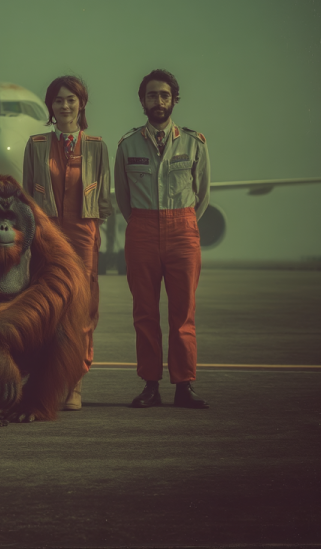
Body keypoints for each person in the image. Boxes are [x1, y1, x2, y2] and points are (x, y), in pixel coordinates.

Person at [114, 69, 210, 409]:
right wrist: (143, 223)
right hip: (141, 229)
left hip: (182, 229)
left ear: (174, 99)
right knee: (145, 312)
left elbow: (203, 194)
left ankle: (184, 385)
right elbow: (122, 197)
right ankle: (150, 385)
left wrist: (181, 223)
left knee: (183, 312)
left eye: (164, 95)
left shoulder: (194, 142)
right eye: (152, 95)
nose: (158, 101)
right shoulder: (127, 145)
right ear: (142, 101)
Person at [22, 76, 111, 411]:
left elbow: (103, 200)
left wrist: (91, 230)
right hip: (47, 234)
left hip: (83, 233)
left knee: (83, 311)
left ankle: (74, 382)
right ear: (50, 106)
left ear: (81, 103)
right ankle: (41, 379)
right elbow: (27, 192)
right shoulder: (37, 145)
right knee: (44, 306)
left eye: (71, 99)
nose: (65, 106)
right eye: (58, 100)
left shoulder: (96, 146)